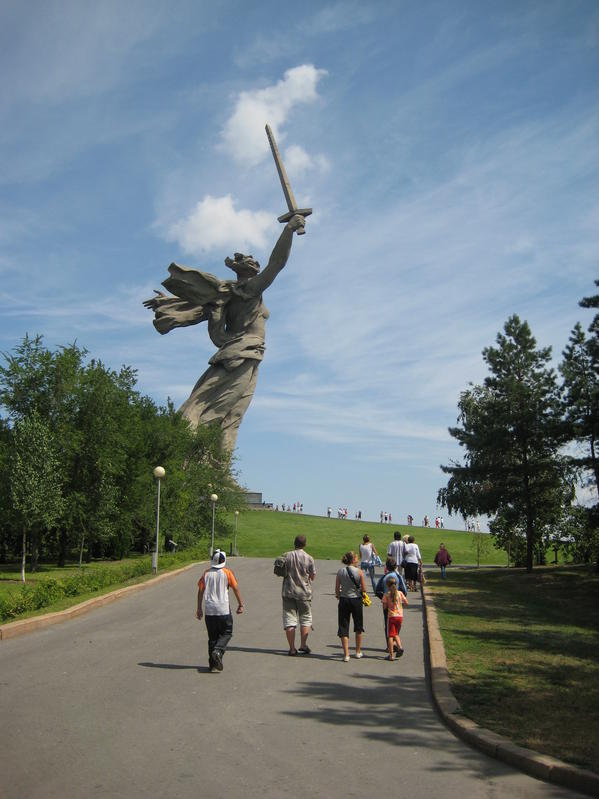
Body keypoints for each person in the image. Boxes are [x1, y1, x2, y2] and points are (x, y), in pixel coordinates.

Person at [144, 213, 306, 452]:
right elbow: (277, 264)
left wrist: (168, 302)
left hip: (250, 355)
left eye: (253, 259)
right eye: (248, 260)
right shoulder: (249, 289)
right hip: (241, 353)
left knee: (233, 415)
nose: (254, 261)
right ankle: (183, 453)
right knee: (207, 407)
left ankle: (217, 468)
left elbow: (200, 307)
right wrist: (288, 230)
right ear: (241, 268)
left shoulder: (228, 293)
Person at [196, 549, 243, 672]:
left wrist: (199, 608)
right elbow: (236, 588)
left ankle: (212, 664)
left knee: (212, 637)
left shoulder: (206, 573)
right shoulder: (227, 573)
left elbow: (200, 590)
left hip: (210, 610)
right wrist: (240, 604)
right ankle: (218, 651)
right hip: (223, 610)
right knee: (227, 633)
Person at [282, 535, 316, 656]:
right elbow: (312, 576)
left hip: (288, 591)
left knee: (289, 620)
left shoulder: (286, 555)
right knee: (305, 619)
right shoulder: (309, 558)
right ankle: (303, 644)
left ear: (294, 543)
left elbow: (280, 571)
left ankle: (292, 648)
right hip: (304, 593)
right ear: (304, 545)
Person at [335, 551, 366, 661]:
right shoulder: (360, 572)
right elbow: (364, 589)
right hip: (356, 600)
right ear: (353, 560)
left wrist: (339, 595)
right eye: (356, 558)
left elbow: (337, 589)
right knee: (358, 626)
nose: (358, 560)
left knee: (343, 626)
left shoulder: (340, 572)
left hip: (344, 599)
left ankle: (346, 654)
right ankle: (358, 651)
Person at [382, 577, 408, 660]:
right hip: (400, 616)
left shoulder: (386, 595)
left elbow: (384, 607)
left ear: (387, 585)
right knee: (396, 633)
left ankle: (391, 655)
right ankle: (400, 647)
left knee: (390, 635)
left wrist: (387, 607)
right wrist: (401, 606)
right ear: (396, 584)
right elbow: (406, 602)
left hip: (391, 616)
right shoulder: (400, 593)